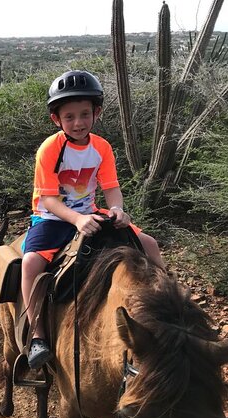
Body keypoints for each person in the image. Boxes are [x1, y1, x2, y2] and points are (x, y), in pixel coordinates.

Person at [21, 70, 165, 370]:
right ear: (56, 119)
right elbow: (48, 198)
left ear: (96, 113)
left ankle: (170, 308)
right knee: (31, 263)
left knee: (149, 244)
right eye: (70, 116)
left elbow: (111, 188)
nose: (78, 122)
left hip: (90, 213)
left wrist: (117, 210)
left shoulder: (101, 148)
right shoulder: (49, 149)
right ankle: (37, 335)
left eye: (85, 114)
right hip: (53, 217)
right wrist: (75, 220)